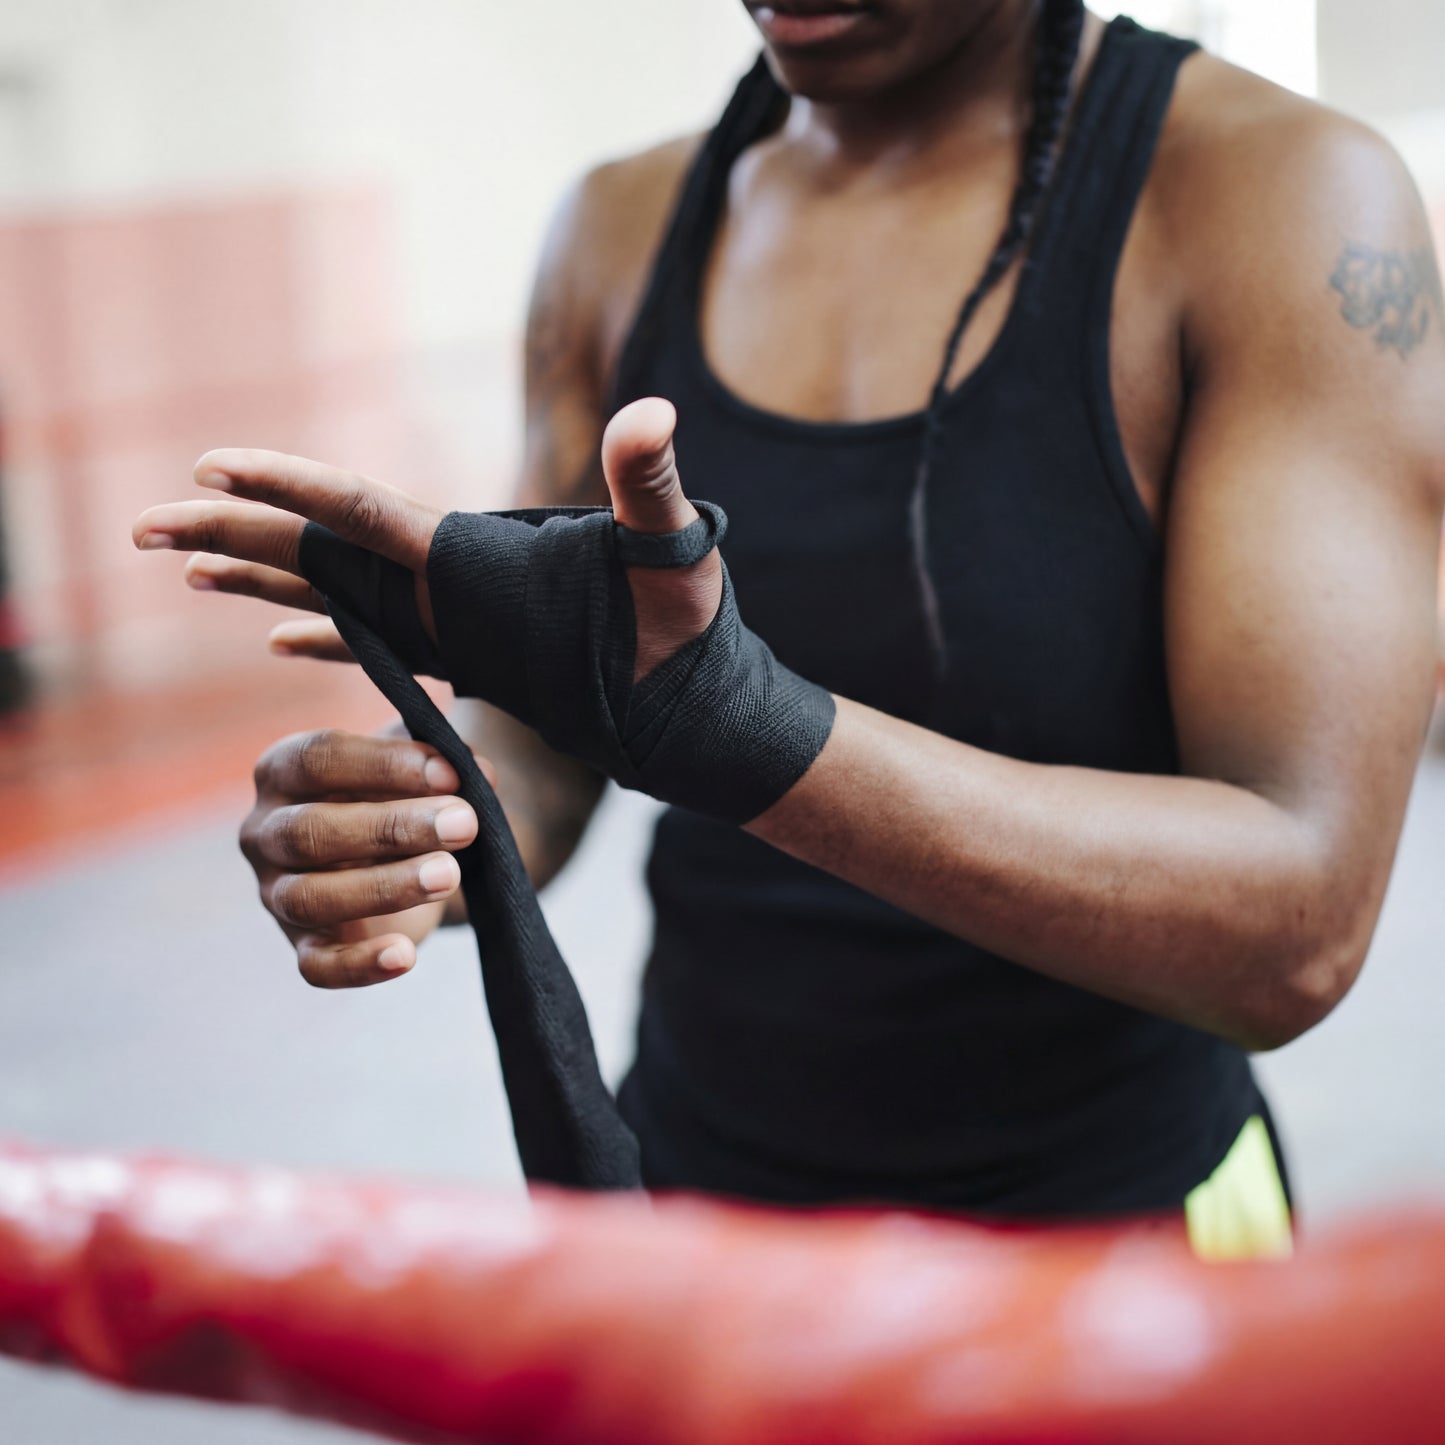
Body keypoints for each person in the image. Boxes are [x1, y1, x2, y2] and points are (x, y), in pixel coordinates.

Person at [135, 1, 1445, 1254]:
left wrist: (751, 731)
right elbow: (560, 722)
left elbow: (1297, 926)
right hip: (705, 1222)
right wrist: (432, 816)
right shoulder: (618, 226)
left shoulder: (1277, 202)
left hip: (1121, 1243)